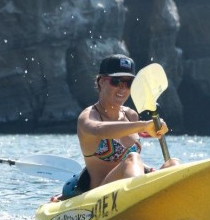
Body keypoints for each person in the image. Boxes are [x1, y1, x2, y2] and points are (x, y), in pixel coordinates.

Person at [63, 54, 180, 198]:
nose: (123, 88)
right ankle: (140, 200)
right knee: (132, 159)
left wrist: (149, 170)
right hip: (99, 197)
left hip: (129, 188)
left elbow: (128, 164)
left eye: (129, 83)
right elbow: (99, 130)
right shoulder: (88, 117)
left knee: (172, 163)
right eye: (116, 81)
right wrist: (144, 126)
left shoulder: (131, 116)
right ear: (101, 82)